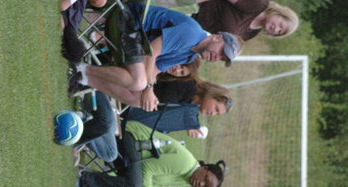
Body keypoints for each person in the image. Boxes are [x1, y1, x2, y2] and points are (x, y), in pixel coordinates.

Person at [69, 3, 242, 111]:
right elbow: (151, 51)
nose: (217, 57)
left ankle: (83, 78)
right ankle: (79, 69)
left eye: (222, 58)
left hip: (137, 41)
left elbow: (156, 68)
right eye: (221, 51)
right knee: (139, 82)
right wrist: (148, 87)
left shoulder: (189, 57)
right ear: (217, 37)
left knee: (139, 100)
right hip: (128, 20)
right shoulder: (192, 34)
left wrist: (149, 93)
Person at [78, 121, 226, 187]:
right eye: (205, 179)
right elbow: (147, 168)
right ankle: (83, 180)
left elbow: (152, 181)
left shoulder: (187, 180)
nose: (200, 184)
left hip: (137, 158)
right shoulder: (185, 163)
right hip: (131, 137)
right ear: (204, 168)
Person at [192, 0, 299, 41]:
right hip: (191, 9)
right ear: (279, 13)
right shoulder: (258, 4)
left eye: (279, 31)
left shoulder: (251, 33)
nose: (276, 29)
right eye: (280, 25)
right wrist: (190, 3)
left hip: (190, 27)